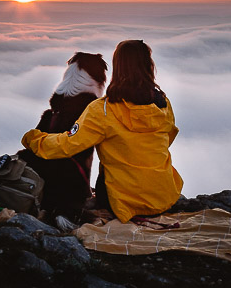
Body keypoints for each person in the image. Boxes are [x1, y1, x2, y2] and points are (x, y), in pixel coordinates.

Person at [21, 39, 183, 223]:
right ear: (149, 65)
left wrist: (34, 139)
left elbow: (67, 145)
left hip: (121, 203)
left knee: (107, 175)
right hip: (164, 197)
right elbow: (169, 136)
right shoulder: (163, 103)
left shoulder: (103, 109)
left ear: (117, 66)